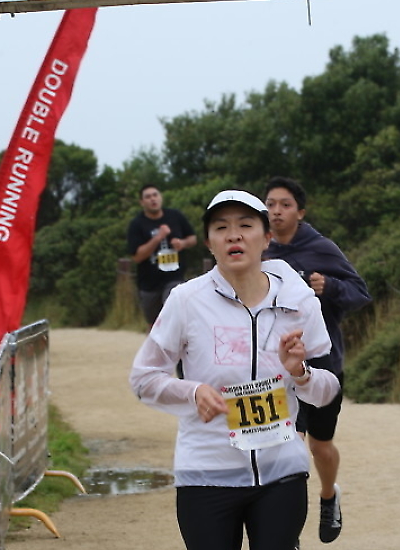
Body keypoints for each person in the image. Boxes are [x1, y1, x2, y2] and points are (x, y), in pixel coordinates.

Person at [129, 190, 340, 550]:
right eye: (221, 228)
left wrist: (301, 373)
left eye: (245, 225)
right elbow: (143, 378)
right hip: (206, 472)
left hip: (281, 471)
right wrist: (193, 392)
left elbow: (328, 390)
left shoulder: (298, 301)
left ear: (267, 238)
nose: (233, 235)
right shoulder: (186, 301)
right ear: (209, 243)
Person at [263, 176, 372, 545]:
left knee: (319, 447)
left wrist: (332, 287)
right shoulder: (258, 250)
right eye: (271, 204)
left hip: (323, 364)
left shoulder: (321, 248)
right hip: (278, 369)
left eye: (285, 204)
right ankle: (286, 532)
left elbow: (360, 293)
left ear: (301, 212)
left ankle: (329, 496)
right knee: (287, 445)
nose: (276, 211)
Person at [127, 184, 197, 327]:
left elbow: (193, 239)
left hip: (174, 277)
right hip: (149, 283)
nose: (153, 199)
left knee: (171, 315)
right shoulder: (136, 224)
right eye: (148, 197)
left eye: (155, 195)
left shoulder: (175, 216)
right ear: (142, 202)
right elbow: (137, 257)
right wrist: (158, 238)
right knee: (154, 326)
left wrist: (182, 243)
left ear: (160, 197)